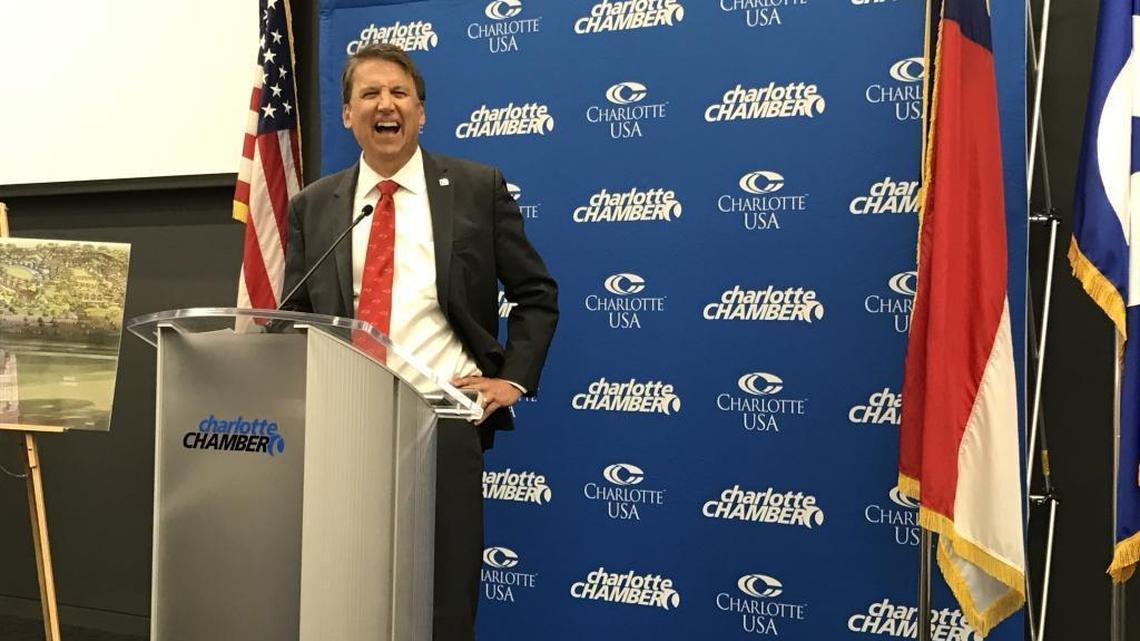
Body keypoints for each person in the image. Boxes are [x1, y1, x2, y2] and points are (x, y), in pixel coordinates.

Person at [280, 43, 558, 641]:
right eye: (370, 94)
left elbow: (537, 293)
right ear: (349, 115)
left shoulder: (478, 188)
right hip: (344, 424)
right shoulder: (313, 206)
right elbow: (295, 313)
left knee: (444, 597)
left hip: (443, 421)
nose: (387, 104)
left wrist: (511, 378)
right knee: (345, 588)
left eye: (399, 93)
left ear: (422, 112)